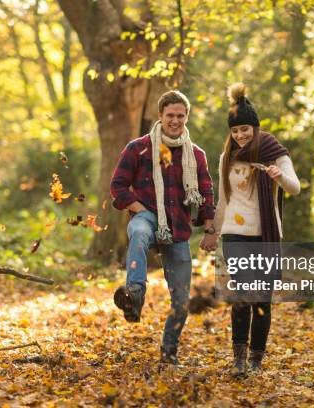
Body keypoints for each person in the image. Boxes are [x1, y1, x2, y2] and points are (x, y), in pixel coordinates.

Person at [109, 90, 217, 365]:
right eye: (170, 115)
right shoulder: (139, 148)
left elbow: (205, 192)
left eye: (180, 115)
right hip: (146, 214)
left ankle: (169, 352)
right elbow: (118, 186)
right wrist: (140, 210)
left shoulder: (196, 155)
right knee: (140, 232)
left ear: (187, 117)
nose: (175, 120)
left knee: (181, 300)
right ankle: (134, 294)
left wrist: (209, 229)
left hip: (178, 228)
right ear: (160, 116)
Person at [211, 82, 300, 376]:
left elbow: (295, 187)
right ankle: (238, 359)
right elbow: (223, 199)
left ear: (256, 127)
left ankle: (256, 361)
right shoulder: (228, 157)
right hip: (235, 235)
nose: (240, 136)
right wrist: (212, 231)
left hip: (266, 236)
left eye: (245, 130)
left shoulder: (274, 153)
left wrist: (278, 176)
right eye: (235, 131)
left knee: (262, 300)